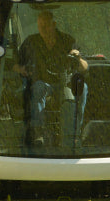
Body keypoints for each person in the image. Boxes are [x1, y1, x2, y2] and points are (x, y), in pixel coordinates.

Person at [15, 11, 89, 149]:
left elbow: (84, 68)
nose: (43, 29)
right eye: (40, 26)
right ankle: (38, 133)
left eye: (46, 26)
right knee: (38, 87)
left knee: (82, 88)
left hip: (65, 83)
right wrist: (21, 69)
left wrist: (77, 57)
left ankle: (73, 135)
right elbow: (14, 64)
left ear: (54, 25)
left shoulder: (68, 41)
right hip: (43, 83)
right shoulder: (31, 42)